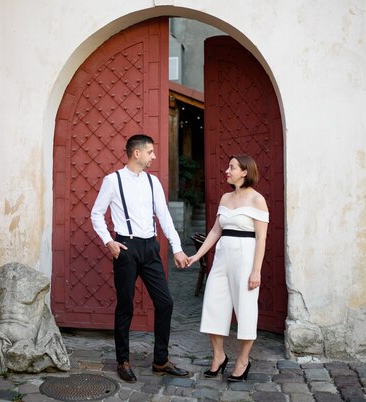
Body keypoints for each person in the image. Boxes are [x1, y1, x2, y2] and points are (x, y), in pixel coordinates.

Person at [90, 134, 190, 383]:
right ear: (137, 153)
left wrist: (176, 248)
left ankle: (160, 360)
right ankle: (122, 361)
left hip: (150, 249)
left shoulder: (153, 181)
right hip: (125, 248)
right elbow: (96, 213)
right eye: (150, 152)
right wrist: (108, 241)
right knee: (126, 305)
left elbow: (164, 216)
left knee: (165, 302)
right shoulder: (112, 181)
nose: (153, 156)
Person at [186, 154, 269, 382]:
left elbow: (261, 238)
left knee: (246, 310)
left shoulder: (258, 200)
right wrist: (196, 256)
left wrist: (256, 271)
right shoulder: (224, 198)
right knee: (213, 304)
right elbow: (215, 231)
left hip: (246, 258)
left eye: (231, 167)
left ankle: (243, 360)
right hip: (222, 257)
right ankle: (219, 356)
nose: (227, 170)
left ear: (245, 172)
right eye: (228, 167)